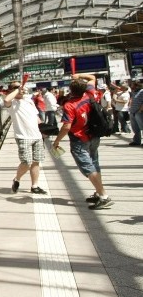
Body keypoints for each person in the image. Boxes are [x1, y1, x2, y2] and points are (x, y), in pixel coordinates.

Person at [51, 73, 112, 210]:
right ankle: (98, 192)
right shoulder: (90, 94)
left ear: (71, 90)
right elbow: (92, 78)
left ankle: (104, 196)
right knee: (95, 164)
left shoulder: (70, 105)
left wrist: (57, 141)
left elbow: (67, 126)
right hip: (94, 136)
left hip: (80, 139)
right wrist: (78, 75)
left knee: (88, 167)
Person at [3, 81, 46, 194]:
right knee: (26, 162)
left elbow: (36, 117)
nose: (20, 89)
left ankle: (34, 186)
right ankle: (17, 179)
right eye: (16, 87)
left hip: (37, 136)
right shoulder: (12, 103)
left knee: (36, 161)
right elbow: (6, 100)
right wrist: (18, 89)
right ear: (11, 90)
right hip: (23, 136)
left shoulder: (28, 100)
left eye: (21, 86)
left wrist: (43, 130)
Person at [129, 80, 143, 145]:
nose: (131, 86)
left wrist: (140, 110)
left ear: (136, 85)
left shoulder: (142, 92)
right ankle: (137, 141)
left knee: (142, 127)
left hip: (139, 112)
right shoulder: (134, 92)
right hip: (132, 112)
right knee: (135, 128)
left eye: (132, 85)